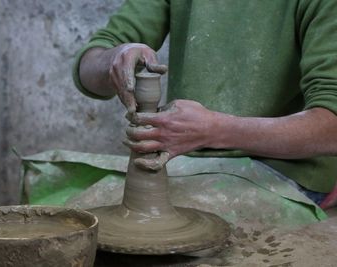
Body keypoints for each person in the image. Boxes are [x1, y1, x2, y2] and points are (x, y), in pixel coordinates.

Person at [72, 0, 337, 208]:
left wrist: (214, 130)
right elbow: (89, 65)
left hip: (284, 172)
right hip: (187, 164)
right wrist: (115, 59)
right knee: (65, 204)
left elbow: (331, 126)